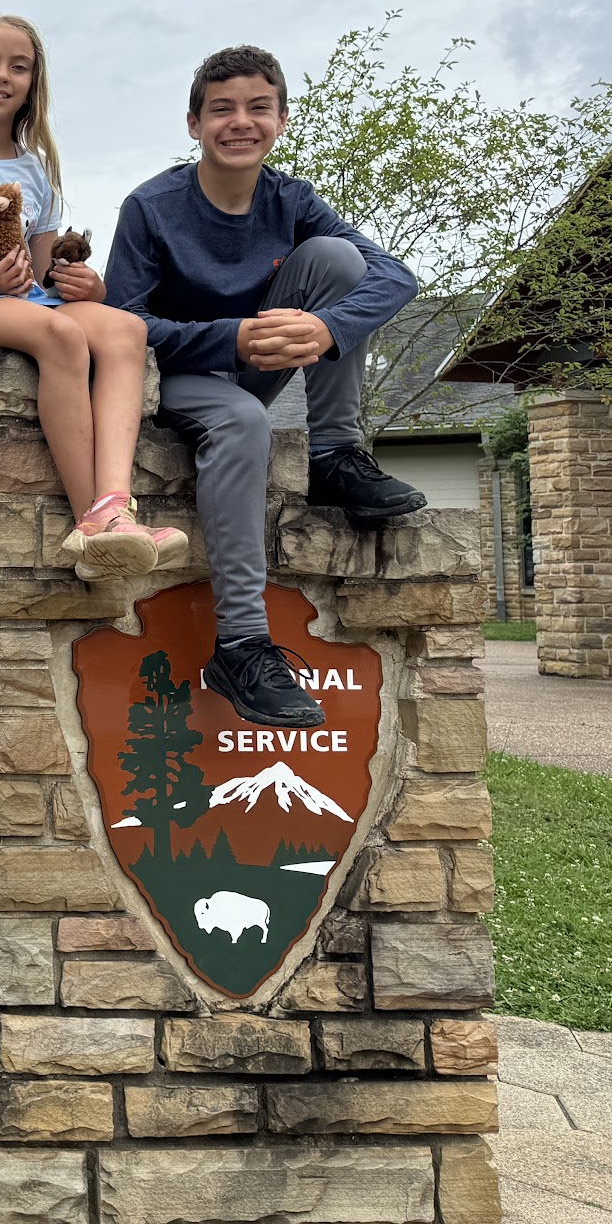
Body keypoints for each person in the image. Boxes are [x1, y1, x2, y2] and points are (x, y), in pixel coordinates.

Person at [107, 44, 426, 728]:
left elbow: (395, 277)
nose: (239, 122)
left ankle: (333, 453)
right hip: (178, 381)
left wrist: (325, 330)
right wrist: (232, 336)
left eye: (258, 108)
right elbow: (121, 325)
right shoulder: (151, 209)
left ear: (281, 120)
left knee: (337, 260)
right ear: (194, 123)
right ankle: (243, 647)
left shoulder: (293, 200)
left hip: (259, 362)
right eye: (221, 109)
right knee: (243, 423)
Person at [0, 14, 183, 580]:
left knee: (125, 328)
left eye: (19, 67)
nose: (2, 76)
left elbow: (43, 278)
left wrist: (84, 286)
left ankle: (116, 504)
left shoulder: (35, 172)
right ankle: (91, 518)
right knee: (62, 333)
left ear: (32, 86)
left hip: (20, 304)